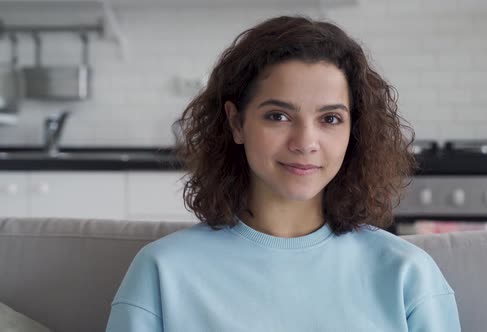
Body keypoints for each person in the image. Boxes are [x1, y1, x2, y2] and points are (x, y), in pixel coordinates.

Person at [106, 15, 461, 331]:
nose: (305, 142)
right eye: (278, 116)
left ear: (354, 132)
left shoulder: (407, 275)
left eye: (330, 119)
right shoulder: (162, 273)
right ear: (236, 123)